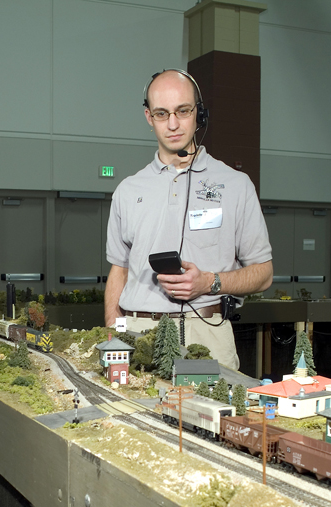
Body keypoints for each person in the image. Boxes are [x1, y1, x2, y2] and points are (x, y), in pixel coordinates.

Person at [104, 69, 273, 370]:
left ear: (200, 114)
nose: (172, 124)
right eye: (161, 114)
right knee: (132, 416)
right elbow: (119, 270)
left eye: (182, 111)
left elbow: (263, 273)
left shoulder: (235, 185)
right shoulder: (128, 191)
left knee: (206, 415)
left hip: (206, 334)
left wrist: (210, 282)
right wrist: (115, 338)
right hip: (139, 334)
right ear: (148, 117)